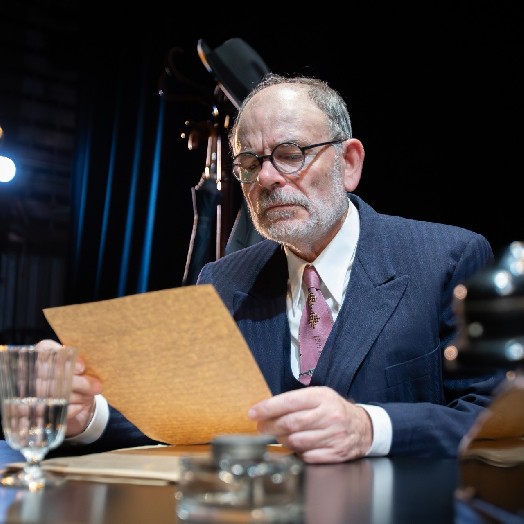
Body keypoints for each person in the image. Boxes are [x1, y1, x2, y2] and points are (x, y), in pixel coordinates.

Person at [1, 73, 505, 465]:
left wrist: (370, 428)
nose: (266, 178)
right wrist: (87, 415)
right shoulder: (223, 280)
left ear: (349, 163)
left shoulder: (447, 258)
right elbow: (187, 417)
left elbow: (495, 416)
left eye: (290, 154)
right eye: (249, 163)